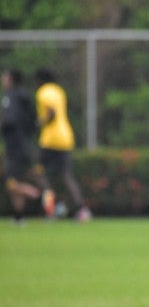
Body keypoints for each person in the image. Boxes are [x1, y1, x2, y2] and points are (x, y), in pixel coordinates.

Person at [34, 68, 91, 222]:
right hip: (66, 138)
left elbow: (51, 113)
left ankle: (53, 209)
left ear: (39, 80)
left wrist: (39, 123)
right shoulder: (59, 91)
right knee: (66, 176)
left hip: (50, 139)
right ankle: (82, 210)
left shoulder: (43, 92)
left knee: (39, 174)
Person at [1, 68, 44, 224]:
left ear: (11, 79)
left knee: (11, 184)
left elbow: (9, 121)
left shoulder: (11, 97)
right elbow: (33, 122)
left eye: (4, 77)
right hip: (25, 145)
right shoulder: (25, 96)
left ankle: (41, 196)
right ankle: (19, 217)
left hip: (16, 148)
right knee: (15, 182)